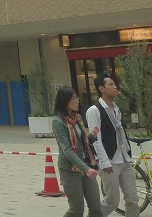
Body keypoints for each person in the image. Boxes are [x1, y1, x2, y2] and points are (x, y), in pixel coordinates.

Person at [85, 73, 138, 217]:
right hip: (109, 160)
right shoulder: (94, 110)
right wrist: (104, 161)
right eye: (111, 84)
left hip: (124, 158)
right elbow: (96, 138)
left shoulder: (116, 109)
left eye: (115, 84)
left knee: (133, 199)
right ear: (101, 89)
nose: (115, 87)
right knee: (112, 201)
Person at [52, 86, 101, 217]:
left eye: (77, 98)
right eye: (73, 99)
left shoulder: (77, 118)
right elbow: (67, 150)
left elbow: (83, 142)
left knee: (96, 208)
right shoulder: (58, 122)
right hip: (70, 170)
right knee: (76, 210)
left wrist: (92, 136)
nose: (77, 101)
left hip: (86, 165)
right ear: (65, 101)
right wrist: (86, 169)